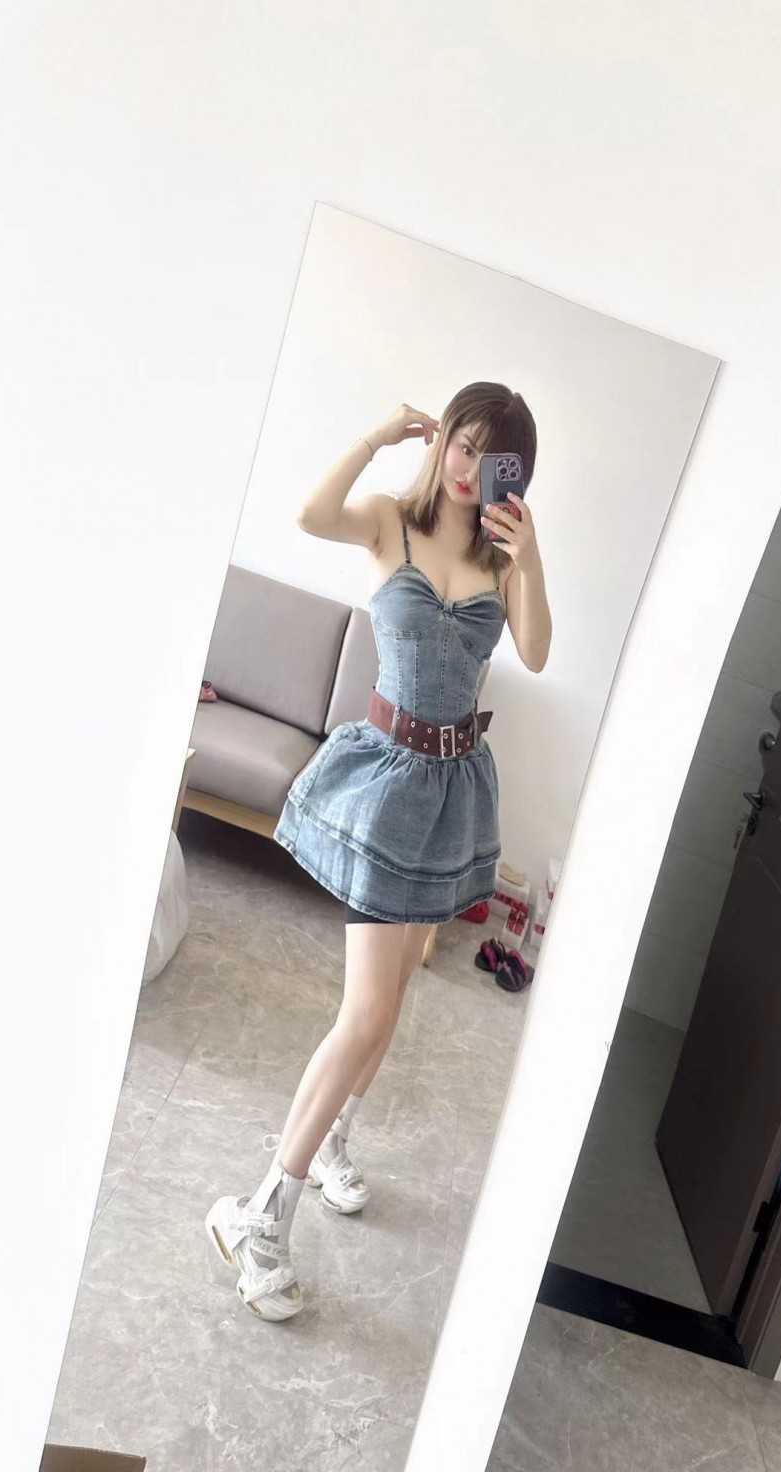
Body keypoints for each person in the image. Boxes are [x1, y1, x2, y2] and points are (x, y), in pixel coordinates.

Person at [206, 382, 552, 1321]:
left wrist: (532, 559)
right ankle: (258, 1214)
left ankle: (332, 1143)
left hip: (453, 794)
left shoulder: (503, 556)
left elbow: (535, 650)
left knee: (389, 1003)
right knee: (364, 1013)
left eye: (492, 457)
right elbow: (310, 514)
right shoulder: (391, 523)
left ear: (515, 472)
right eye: (461, 444)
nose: (469, 468)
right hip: (385, 784)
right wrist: (379, 435)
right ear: (441, 442)